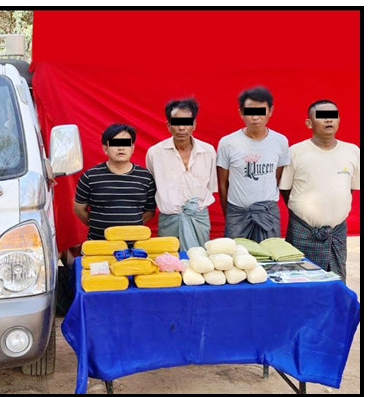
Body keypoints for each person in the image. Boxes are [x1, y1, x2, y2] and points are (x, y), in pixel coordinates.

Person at [279, 100, 360, 280]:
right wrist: (305, 212)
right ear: (309, 123)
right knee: (300, 282)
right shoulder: (295, 152)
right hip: (303, 231)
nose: (329, 120)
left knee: (336, 284)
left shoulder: (352, 151)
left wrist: (333, 211)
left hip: (336, 233)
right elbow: (285, 189)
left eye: (333, 116)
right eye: (322, 116)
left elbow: (349, 189)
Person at [216, 86, 290, 241]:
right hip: (237, 214)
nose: (255, 117)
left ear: (270, 111)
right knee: (236, 254)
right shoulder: (227, 143)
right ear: (241, 113)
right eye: (250, 111)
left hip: (268, 214)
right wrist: (230, 215)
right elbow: (223, 183)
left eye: (261, 111)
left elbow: (276, 178)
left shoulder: (280, 141)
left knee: (270, 253)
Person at [146, 98, 217, 250]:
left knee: (200, 260)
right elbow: (151, 188)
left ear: (194, 125)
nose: (181, 128)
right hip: (170, 221)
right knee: (169, 261)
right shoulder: (155, 153)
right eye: (176, 123)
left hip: (198, 219)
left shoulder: (208, 151)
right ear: (168, 125)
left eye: (186, 123)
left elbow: (211, 186)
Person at [74, 123, 156, 241]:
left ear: (132, 148)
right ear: (105, 149)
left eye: (125, 143)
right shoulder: (90, 177)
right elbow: (79, 209)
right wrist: (97, 225)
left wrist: (129, 228)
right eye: (115, 143)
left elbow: (150, 211)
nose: (121, 148)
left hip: (133, 245)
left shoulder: (146, 177)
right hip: (99, 244)